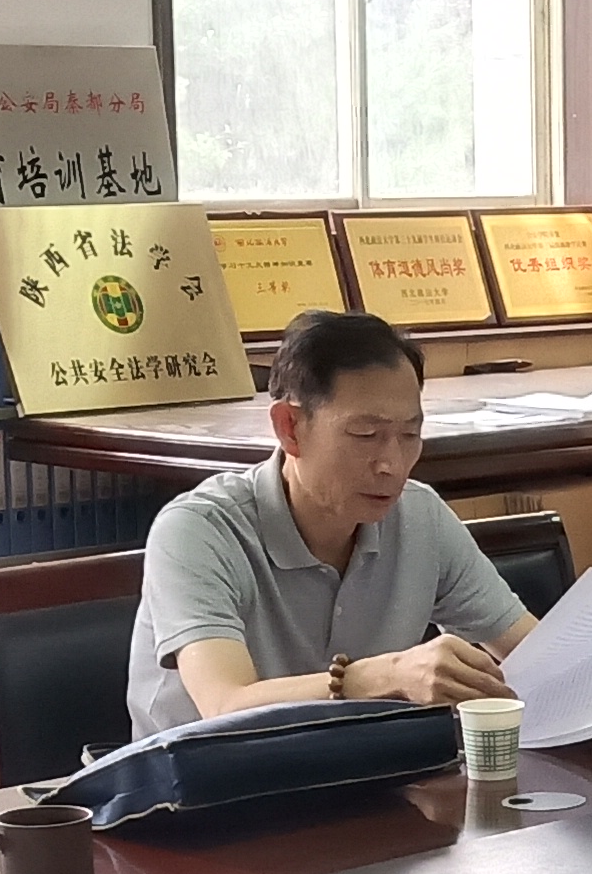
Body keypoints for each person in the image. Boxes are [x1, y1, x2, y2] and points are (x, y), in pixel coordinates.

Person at [125, 307, 542, 738]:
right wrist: (382, 675)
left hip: (366, 768)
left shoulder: (420, 517)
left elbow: (538, 654)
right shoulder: (199, 530)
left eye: (409, 435)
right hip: (204, 776)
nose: (392, 464)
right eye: (365, 435)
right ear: (289, 427)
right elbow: (225, 705)